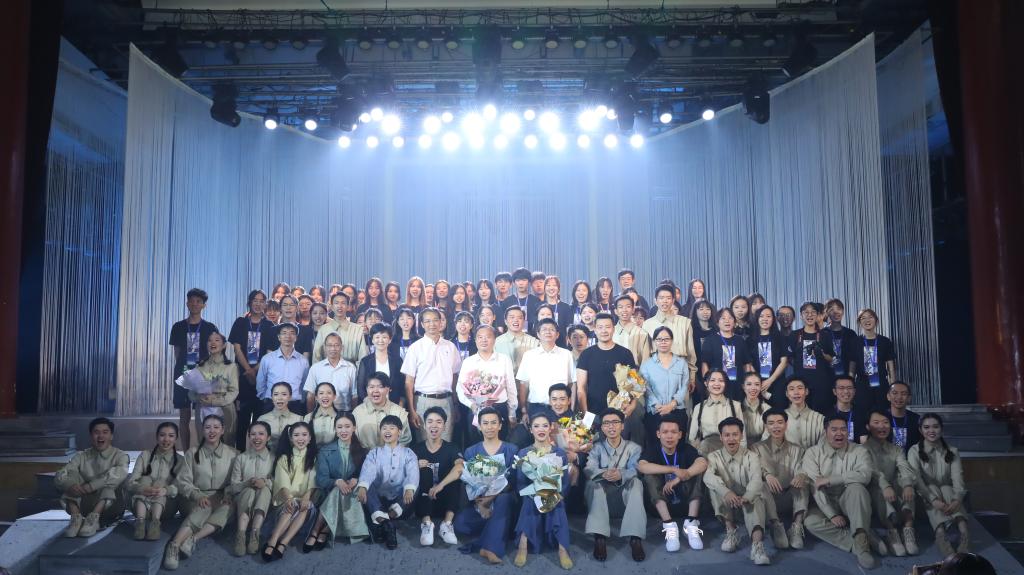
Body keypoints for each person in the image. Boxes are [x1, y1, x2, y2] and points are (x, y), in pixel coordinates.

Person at [801, 414, 878, 569]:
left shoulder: (859, 450)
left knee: (857, 488)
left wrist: (831, 479)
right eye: (834, 429)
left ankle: (862, 545)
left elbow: (865, 475)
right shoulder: (812, 453)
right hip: (825, 502)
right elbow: (816, 486)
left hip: (849, 500)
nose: (839, 433)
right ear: (825, 432)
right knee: (810, 522)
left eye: (843, 429)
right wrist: (832, 514)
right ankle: (858, 539)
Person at [164, 415, 238, 570]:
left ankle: (193, 539)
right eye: (208, 427)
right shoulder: (192, 453)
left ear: (223, 430)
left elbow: (235, 482)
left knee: (229, 507)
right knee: (205, 506)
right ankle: (174, 545)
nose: (212, 431)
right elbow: (183, 482)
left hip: (221, 497)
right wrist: (197, 495)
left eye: (216, 427)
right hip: (194, 497)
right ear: (202, 430)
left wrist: (228, 494)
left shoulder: (234, 454)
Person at [454, 407, 519, 564]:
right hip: (481, 504)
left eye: (493, 423)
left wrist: (490, 499)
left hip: (504, 500)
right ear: (479, 426)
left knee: (503, 500)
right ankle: (499, 527)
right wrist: (481, 505)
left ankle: (491, 548)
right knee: (460, 525)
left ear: (500, 425)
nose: (490, 427)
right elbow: (470, 484)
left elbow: (512, 483)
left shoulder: (512, 449)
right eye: (485, 423)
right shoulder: (471, 451)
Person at [703, 417, 771, 565]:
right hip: (728, 504)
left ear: (741, 435)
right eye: (727, 435)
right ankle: (731, 531)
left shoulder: (752, 456)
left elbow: (756, 479)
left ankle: (757, 545)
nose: (731, 439)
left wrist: (747, 496)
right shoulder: (713, 456)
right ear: (721, 437)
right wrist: (726, 492)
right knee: (714, 487)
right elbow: (708, 476)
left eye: (735, 434)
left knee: (757, 494)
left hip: (747, 503)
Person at [637, 413, 707, 553]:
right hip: (661, 505)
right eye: (665, 432)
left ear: (680, 435)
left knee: (697, 472)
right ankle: (669, 525)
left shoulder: (686, 448)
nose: (669, 436)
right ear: (658, 434)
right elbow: (642, 466)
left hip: (685, 503)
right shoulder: (653, 449)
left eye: (674, 432)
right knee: (649, 476)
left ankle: (691, 523)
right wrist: (673, 470)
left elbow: (702, 463)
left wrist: (681, 476)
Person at [584, 408, 647, 562]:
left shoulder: (634, 448)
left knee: (636, 482)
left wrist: (621, 474)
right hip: (602, 498)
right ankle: (599, 537)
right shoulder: (596, 448)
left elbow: (636, 469)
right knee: (593, 483)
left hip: (624, 500)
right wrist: (603, 473)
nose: (611, 426)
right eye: (606, 423)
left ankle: (635, 538)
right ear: (602, 428)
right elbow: (589, 468)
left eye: (615, 422)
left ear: (622, 426)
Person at [512, 412, 573, 570]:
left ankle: (563, 549)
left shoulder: (559, 453)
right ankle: (523, 545)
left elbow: (565, 482)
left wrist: (557, 494)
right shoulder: (523, 453)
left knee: (558, 502)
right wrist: (535, 492)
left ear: (550, 428)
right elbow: (520, 482)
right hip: (532, 496)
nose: (541, 429)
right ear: (530, 429)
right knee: (529, 501)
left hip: (553, 494)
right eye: (536, 426)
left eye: (545, 426)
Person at [908, 413, 971, 557]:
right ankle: (940, 534)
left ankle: (964, 532)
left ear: (941, 429)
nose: (931, 431)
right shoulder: (914, 451)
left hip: (948, 499)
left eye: (935, 427)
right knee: (932, 488)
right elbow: (917, 481)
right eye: (926, 427)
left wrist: (957, 500)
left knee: (947, 488)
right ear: (920, 430)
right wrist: (933, 500)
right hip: (925, 500)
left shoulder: (952, 451)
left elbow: (958, 480)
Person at [56, 417, 129, 538]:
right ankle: (76, 518)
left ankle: (93, 519)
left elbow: (119, 473)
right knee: (71, 476)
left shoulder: (121, 456)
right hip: (84, 505)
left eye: (105, 432)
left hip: (111, 507)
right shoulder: (81, 456)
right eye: (96, 432)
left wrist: (91, 486)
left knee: (110, 481)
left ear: (111, 436)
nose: (100, 436)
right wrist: (71, 485)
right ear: (91, 436)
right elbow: (61, 474)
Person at [357, 415, 419, 550]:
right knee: (366, 485)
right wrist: (362, 487)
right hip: (379, 499)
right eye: (384, 428)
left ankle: (383, 520)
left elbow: (413, 472)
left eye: (392, 428)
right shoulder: (374, 453)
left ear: (400, 432)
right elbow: (368, 471)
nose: (387, 431)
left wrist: (409, 489)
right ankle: (388, 524)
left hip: (400, 501)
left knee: (414, 485)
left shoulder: (408, 453)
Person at [308, 412, 369, 548]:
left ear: (354, 428)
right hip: (329, 492)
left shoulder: (363, 451)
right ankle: (321, 529)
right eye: (339, 427)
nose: (343, 431)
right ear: (335, 429)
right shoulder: (325, 451)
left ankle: (319, 529)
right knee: (338, 490)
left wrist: (357, 479)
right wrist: (336, 482)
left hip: (353, 493)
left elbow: (368, 475)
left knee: (344, 490)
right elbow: (321, 480)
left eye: (347, 426)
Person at [863, 409, 919, 556]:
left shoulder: (896, 449)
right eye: (876, 423)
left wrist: (907, 484)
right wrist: (885, 486)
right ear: (868, 426)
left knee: (905, 482)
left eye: (885, 422)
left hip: (893, 487)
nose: (882, 426)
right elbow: (873, 471)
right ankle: (892, 532)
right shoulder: (862, 449)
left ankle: (908, 529)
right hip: (875, 490)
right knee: (878, 489)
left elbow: (903, 467)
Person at [169, 288, 219, 450]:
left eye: (198, 301)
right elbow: (177, 353)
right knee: (184, 417)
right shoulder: (178, 327)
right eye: (192, 301)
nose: (195, 304)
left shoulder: (210, 327)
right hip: (183, 375)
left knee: (203, 416)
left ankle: (203, 452)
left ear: (204, 305)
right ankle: (186, 453)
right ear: (187, 303)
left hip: (203, 377)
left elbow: (215, 353)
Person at [752, 408, 809, 550]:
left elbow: (802, 468)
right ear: (766, 426)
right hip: (768, 499)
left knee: (803, 482)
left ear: (786, 424)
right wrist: (767, 475)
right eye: (771, 423)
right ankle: (776, 525)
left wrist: (800, 475)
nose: (776, 426)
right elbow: (753, 471)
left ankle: (797, 526)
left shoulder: (798, 449)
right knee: (759, 485)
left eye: (780, 422)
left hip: (789, 497)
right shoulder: (756, 448)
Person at [403, 307, 462, 442]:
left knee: (446, 442)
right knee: (424, 443)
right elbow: (409, 382)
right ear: (422, 324)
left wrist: (455, 404)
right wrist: (412, 410)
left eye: (435, 320)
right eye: (428, 321)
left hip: (447, 401)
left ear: (441, 322)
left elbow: (455, 378)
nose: (432, 324)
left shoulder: (450, 347)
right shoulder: (415, 348)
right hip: (423, 401)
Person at [263, 421, 318, 561]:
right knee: (291, 505)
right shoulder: (284, 458)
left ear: (310, 438)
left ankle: (283, 542)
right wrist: (288, 498)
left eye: (304, 435)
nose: (301, 438)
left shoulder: (314, 458)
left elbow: (313, 482)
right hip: (286, 498)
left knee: (305, 506)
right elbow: (282, 482)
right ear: (291, 438)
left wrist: (306, 497)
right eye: (296, 435)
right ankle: (273, 540)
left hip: (305, 498)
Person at [229, 289, 275, 450]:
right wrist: (248, 369)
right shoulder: (240, 322)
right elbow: (237, 348)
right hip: (241, 377)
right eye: (255, 300)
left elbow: (269, 352)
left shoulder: (269, 325)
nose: (258, 304)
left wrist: (255, 370)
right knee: (241, 420)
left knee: (259, 420)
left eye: (262, 301)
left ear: (265, 304)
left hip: (261, 378)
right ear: (249, 302)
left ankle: (257, 453)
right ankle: (240, 453)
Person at [412, 407, 464, 547]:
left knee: (455, 475)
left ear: (444, 426)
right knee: (423, 471)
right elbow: (404, 473)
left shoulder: (452, 447)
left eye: (439, 422)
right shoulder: (416, 449)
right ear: (424, 425)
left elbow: (460, 467)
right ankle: (426, 524)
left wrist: (441, 485)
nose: (434, 425)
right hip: (423, 501)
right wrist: (414, 466)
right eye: (430, 421)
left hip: (446, 501)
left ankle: (447, 524)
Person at [457, 324, 517, 444]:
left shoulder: (504, 360)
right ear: (475, 340)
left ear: (494, 340)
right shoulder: (468, 362)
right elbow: (460, 389)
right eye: (480, 337)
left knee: (500, 445)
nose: (484, 340)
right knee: (476, 446)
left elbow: (511, 387)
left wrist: (512, 413)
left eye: (488, 337)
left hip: (499, 409)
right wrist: (471, 405)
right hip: (475, 410)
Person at [226, 421, 275, 556]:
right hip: (243, 498)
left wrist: (265, 482)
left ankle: (255, 533)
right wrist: (246, 484)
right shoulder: (241, 458)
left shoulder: (274, 458)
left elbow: (278, 483)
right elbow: (234, 486)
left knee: (264, 491)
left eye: (261, 434)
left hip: (264, 500)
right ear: (248, 437)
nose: (256, 437)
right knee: (248, 491)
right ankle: (241, 535)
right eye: (253, 434)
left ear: (268, 437)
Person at [127, 422, 182, 540]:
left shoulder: (180, 460)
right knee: (145, 479)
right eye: (162, 435)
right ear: (157, 437)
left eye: (171, 436)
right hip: (140, 505)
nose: (166, 439)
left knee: (160, 483)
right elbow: (131, 482)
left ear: (176, 438)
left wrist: (165, 490)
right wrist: (143, 489)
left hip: (166, 509)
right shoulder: (145, 455)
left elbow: (181, 486)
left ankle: (155, 523)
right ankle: (140, 523)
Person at [577, 313, 637, 416]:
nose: (604, 331)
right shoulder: (586, 354)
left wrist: (632, 406)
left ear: (613, 329)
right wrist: (585, 414)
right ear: (595, 330)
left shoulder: (625, 353)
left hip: (620, 412)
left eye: (608, 327)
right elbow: (581, 388)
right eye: (600, 327)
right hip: (593, 412)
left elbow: (634, 383)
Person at [639, 326, 690, 447]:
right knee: (655, 447)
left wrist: (672, 405)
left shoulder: (681, 363)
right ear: (654, 341)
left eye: (666, 339)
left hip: (677, 411)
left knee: (678, 447)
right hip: (655, 412)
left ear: (672, 341)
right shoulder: (647, 365)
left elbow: (684, 386)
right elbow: (646, 389)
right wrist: (658, 406)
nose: (663, 342)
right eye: (659, 339)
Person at [515, 318, 575, 418]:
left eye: (551, 329)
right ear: (538, 334)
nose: (548, 332)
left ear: (557, 335)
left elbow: (571, 383)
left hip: (561, 408)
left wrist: (571, 409)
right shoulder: (529, 355)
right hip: (536, 407)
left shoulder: (566, 354)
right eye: (544, 329)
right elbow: (523, 384)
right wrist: (524, 410)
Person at [643, 285, 698, 388]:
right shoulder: (647, 324)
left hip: (680, 372)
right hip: (655, 373)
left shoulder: (684, 322)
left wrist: (692, 377)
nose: (665, 301)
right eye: (661, 298)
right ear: (655, 301)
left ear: (673, 300)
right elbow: (645, 356)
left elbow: (691, 353)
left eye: (668, 298)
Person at [790, 302, 836, 414]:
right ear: (801, 316)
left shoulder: (825, 335)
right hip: (801, 383)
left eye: (813, 312)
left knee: (820, 414)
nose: (809, 315)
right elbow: (790, 358)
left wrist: (822, 354)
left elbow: (831, 359)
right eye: (806, 312)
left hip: (821, 383)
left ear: (818, 315)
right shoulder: (795, 335)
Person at [191, 332, 238, 441]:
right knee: (204, 442)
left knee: (226, 442)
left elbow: (234, 391)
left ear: (224, 345)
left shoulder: (231, 366)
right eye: (209, 340)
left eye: (217, 340)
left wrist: (215, 401)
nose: (213, 343)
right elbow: (191, 392)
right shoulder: (199, 366)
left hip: (225, 409)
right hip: (203, 409)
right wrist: (199, 398)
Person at [255, 323, 310, 415]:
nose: (288, 336)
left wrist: (301, 399)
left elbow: (305, 384)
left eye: (292, 333)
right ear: (279, 337)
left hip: (294, 404)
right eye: (284, 333)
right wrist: (265, 398)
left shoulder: (303, 361)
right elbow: (261, 382)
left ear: (296, 338)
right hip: (271, 404)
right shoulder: (267, 359)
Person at [700, 307, 753, 401]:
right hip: (717, 386)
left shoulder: (740, 340)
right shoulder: (710, 340)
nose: (727, 321)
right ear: (717, 322)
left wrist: (747, 383)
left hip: (738, 386)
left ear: (734, 322)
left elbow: (746, 364)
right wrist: (707, 385)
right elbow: (705, 365)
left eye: (730, 318)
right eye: (723, 318)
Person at [688, 370, 744, 455]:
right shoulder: (698, 407)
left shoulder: (736, 406)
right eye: (712, 380)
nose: (717, 384)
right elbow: (692, 438)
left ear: (725, 384)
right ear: (706, 383)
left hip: (730, 451)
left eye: (721, 380)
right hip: (705, 451)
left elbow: (743, 438)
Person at [854, 308, 898, 411]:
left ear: (876, 320)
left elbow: (891, 368)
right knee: (863, 414)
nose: (867, 320)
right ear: (859, 322)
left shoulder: (885, 341)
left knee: (883, 413)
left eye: (870, 317)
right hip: (862, 385)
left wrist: (893, 387)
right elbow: (852, 367)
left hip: (881, 384)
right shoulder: (855, 342)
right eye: (863, 318)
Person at [303, 332, 357, 414]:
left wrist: (352, 416)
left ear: (342, 347)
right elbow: (310, 396)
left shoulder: (350, 368)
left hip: (344, 413)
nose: (333, 348)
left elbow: (354, 395)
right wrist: (310, 416)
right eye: (329, 345)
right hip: (321, 414)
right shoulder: (315, 368)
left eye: (336, 345)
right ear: (324, 347)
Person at [354, 372, 412, 448]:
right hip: (363, 454)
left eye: (380, 387)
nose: (375, 390)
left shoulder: (399, 413)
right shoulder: (357, 412)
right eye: (371, 387)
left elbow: (405, 440)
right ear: (366, 389)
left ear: (388, 389)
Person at [750, 305, 790, 407]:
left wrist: (770, 380)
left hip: (777, 382)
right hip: (758, 385)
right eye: (761, 316)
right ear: (757, 319)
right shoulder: (751, 339)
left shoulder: (779, 336)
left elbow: (784, 361)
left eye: (768, 316)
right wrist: (758, 382)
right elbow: (749, 364)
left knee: (779, 410)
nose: (765, 319)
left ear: (773, 319)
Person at [312, 292, 368, 364]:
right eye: (336, 303)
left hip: (352, 369)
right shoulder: (323, 329)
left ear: (348, 306)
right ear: (332, 307)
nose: (340, 306)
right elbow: (316, 357)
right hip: (327, 369)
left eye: (343, 303)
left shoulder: (357, 329)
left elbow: (362, 357)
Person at [357, 323, 405, 405]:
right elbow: (360, 388)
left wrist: (400, 404)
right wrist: (370, 404)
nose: (381, 340)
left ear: (390, 340)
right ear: (372, 340)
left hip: (393, 405)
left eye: (384, 337)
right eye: (377, 337)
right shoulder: (365, 361)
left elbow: (402, 386)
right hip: (371, 406)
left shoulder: (397, 360)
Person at [781, 377, 826, 449]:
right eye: (791, 389)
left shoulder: (820, 419)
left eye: (800, 388)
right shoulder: (779, 417)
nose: (796, 392)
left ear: (806, 391)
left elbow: (825, 446)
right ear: (787, 393)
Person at [494, 305, 539, 374]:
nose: (516, 320)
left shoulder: (534, 342)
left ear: (524, 321)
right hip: (503, 379)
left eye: (520, 318)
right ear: (505, 321)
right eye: (512, 317)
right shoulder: (496, 342)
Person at [257, 383, 302, 450]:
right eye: (276, 394)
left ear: (290, 397)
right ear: (271, 397)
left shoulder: (299, 419)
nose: (280, 398)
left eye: (284, 394)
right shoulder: (262, 419)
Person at [824, 298, 859, 382]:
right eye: (832, 309)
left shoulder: (850, 333)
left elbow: (853, 358)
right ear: (827, 312)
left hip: (846, 379)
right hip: (826, 379)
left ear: (843, 311)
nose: (836, 312)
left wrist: (851, 378)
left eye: (839, 309)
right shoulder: (822, 333)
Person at [613, 295, 653, 365]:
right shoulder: (610, 332)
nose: (624, 310)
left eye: (628, 306)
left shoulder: (642, 334)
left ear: (633, 310)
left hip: (635, 371)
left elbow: (645, 361)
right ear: (616, 311)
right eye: (620, 307)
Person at [886, 380, 922, 452]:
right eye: (895, 393)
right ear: (888, 396)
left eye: (903, 393)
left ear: (909, 398)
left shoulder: (916, 419)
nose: (899, 397)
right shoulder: (881, 418)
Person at [831, 375, 868, 444]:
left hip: (855, 449)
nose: (846, 391)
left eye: (849, 388)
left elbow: (864, 442)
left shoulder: (861, 414)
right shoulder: (827, 414)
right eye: (841, 388)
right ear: (834, 391)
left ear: (854, 391)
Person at [740, 372, 769, 446]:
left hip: (762, 448)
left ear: (761, 386)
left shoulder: (767, 409)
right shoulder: (736, 408)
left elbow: (767, 436)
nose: (753, 388)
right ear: (743, 387)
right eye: (749, 384)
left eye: (757, 384)